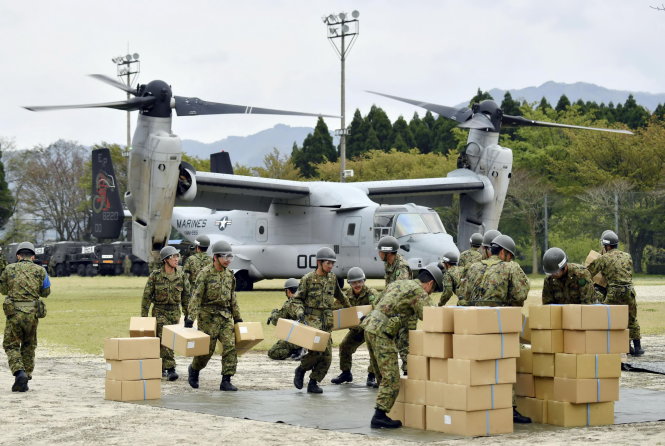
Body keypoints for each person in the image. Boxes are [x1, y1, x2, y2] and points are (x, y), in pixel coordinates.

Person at [362, 263, 442, 429]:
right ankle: (379, 416)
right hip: (382, 333)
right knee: (392, 378)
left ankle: (384, 410)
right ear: (430, 284)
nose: (430, 293)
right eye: (432, 291)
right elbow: (429, 316)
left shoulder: (398, 283)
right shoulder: (419, 292)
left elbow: (378, 302)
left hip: (369, 328)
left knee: (382, 375)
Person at [464, 234, 531, 424]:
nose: (510, 259)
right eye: (509, 255)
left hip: (474, 323)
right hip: (498, 323)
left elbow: (465, 295)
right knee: (505, 365)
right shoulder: (510, 268)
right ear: (503, 252)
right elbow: (521, 293)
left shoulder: (474, 267)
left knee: (479, 366)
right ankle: (509, 409)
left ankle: (481, 404)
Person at [292, 247, 351, 394]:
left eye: (332, 263)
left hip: (327, 321)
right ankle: (301, 369)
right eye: (328, 263)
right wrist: (299, 312)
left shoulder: (332, 278)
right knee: (317, 351)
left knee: (327, 357)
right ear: (319, 262)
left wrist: (351, 310)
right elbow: (297, 300)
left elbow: (340, 296)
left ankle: (313, 382)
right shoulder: (308, 279)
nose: (331, 266)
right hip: (312, 320)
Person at [187, 240, 243, 391]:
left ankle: (226, 379)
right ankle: (194, 369)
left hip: (225, 316)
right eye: (225, 257)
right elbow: (196, 296)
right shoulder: (204, 273)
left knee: (230, 347)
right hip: (207, 317)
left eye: (230, 257)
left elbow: (232, 297)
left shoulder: (230, 275)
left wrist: (237, 317)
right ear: (215, 257)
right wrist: (190, 318)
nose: (228, 260)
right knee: (206, 350)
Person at [1, 241, 51, 392]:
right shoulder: (41, 270)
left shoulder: (9, 269)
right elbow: (46, 292)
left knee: (11, 345)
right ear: (33, 256)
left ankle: (19, 373)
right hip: (32, 315)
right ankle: (26, 377)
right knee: (29, 345)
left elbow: (3, 290)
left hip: (14, 314)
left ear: (18, 255)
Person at [587, 230, 643, 356]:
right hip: (629, 290)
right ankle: (637, 347)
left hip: (614, 292)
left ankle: (615, 345)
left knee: (607, 318)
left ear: (606, 246)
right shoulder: (627, 256)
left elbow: (588, 273)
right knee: (632, 318)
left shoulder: (604, 258)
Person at [140, 246, 191, 381]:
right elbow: (146, 297)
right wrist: (144, 318)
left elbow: (186, 298)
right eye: (173, 257)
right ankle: (171, 368)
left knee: (170, 342)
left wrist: (188, 316)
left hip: (175, 312)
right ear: (165, 260)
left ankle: (161, 366)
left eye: (177, 256)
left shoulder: (181, 276)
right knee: (164, 338)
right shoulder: (155, 276)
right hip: (159, 312)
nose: (176, 259)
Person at [330, 267, 380, 387]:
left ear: (364, 281)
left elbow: (378, 308)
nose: (357, 285)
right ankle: (346, 373)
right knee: (344, 346)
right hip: (356, 330)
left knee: (374, 350)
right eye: (354, 282)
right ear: (349, 283)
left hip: (370, 329)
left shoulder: (371, 293)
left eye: (360, 281)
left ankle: (372, 375)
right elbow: (334, 308)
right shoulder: (346, 295)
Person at [377, 235, 413, 376]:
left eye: (380, 251)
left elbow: (400, 291)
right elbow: (388, 288)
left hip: (404, 311)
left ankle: (409, 375)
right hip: (394, 310)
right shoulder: (389, 264)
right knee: (395, 342)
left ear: (388, 253)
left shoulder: (402, 267)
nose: (379, 254)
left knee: (404, 345)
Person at [266, 278, 303, 360]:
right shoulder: (306, 301)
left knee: (273, 352)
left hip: (298, 338)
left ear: (288, 291)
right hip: (310, 336)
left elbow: (277, 321)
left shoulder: (290, 304)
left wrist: (273, 313)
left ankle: (297, 350)